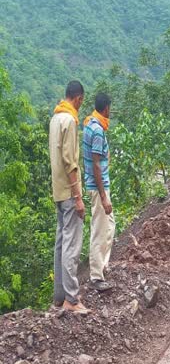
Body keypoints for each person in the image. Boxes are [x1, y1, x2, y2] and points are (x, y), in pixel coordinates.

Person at [49, 80, 89, 314]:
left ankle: (59, 296)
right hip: (69, 191)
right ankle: (72, 300)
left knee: (61, 244)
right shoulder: (70, 120)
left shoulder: (55, 118)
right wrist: (78, 197)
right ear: (79, 98)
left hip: (57, 190)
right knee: (72, 245)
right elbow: (70, 162)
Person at [83, 93, 115, 292]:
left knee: (109, 225)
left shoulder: (91, 124)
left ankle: (102, 265)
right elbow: (95, 164)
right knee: (99, 229)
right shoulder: (96, 130)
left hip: (99, 185)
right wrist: (103, 196)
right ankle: (96, 276)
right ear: (106, 108)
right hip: (98, 187)